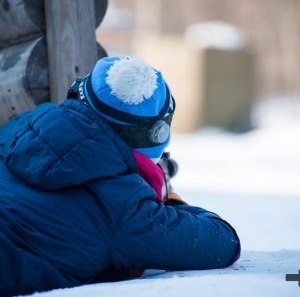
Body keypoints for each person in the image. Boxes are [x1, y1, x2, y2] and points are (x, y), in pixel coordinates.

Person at [0, 56, 240, 296]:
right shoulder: (127, 212)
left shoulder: (17, 130)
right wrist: (169, 201)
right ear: (157, 134)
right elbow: (222, 243)